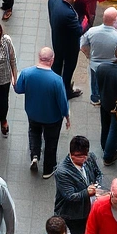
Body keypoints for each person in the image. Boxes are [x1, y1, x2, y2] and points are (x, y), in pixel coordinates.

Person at [16, 47, 72, 178]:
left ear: (39, 57)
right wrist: (67, 117)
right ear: (52, 60)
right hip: (52, 118)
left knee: (34, 133)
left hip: (33, 113)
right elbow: (63, 102)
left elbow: (18, 89)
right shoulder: (57, 80)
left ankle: (35, 155)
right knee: (51, 142)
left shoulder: (26, 73)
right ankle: (48, 169)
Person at [53, 135, 104, 234]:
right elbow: (70, 196)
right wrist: (87, 192)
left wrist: (97, 185)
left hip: (89, 207)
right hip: (72, 214)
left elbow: (98, 173)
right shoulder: (62, 172)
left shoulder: (89, 158)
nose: (84, 159)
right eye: (80, 156)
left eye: (85, 155)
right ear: (71, 154)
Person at [80, 6, 117, 106]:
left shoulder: (92, 31)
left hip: (95, 64)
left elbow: (82, 44)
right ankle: (106, 98)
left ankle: (95, 98)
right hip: (112, 65)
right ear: (116, 20)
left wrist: (89, 55)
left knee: (95, 82)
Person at [48, 0, 84, 98]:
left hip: (57, 38)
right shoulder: (68, 13)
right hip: (69, 45)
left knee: (57, 63)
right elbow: (79, 31)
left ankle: (53, 85)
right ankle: (66, 90)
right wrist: (84, 21)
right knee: (69, 66)